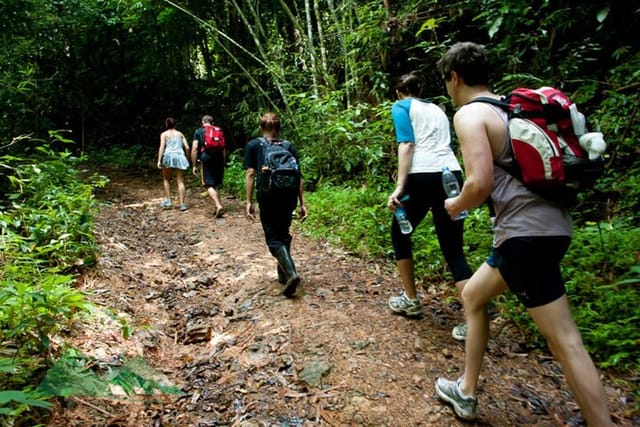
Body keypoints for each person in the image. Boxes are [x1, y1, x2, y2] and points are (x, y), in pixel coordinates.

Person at [434, 41, 613, 425]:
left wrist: (456, 205)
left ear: (453, 77)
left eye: (446, 82)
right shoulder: (510, 109)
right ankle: (466, 391)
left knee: (565, 341)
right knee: (473, 295)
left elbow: (479, 184)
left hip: (525, 236)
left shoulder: (469, 116)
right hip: (549, 227)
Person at [387, 73, 472, 338]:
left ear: (400, 92)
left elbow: (408, 144)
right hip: (451, 175)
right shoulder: (437, 109)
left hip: (421, 176)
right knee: (453, 247)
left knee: (400, 231)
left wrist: (400, 186)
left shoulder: (401, 106)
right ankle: (473, 320)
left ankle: (411, 300)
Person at [243, 112, 308, 298]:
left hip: (268, 195)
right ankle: (284, 272)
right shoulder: (288, 146)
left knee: (273, 237)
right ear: (279, 128)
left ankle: (291, 272)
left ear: (261, 127)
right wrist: (302, 203)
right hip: (288, 196)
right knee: (283, 231)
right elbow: (299, 176)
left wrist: (248, 201)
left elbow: (250, 173)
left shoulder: (255, 145)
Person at [191, 115, 225, 217]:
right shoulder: (219, 130)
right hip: (219, 157)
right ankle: (217, 207)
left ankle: (218, 205)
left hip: (206, 157)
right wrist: (223, 161)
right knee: (216, 183)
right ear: (212, 122)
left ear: (203, 122)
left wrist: (193, 165)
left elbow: (194, 148)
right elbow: (223, 148)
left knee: (208, 184)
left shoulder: (199, 131)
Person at [157, 117, 190, 211]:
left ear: (166, 125)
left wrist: (159, 160)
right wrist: (187, 159)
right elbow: (187, 147)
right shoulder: (180, 134)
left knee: (166, 179)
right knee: (180, 180)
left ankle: (168, 201)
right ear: (175, 124)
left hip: (168, 156)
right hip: (180, 156)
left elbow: (162, 147)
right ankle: (182, 204)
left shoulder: (164, 134)